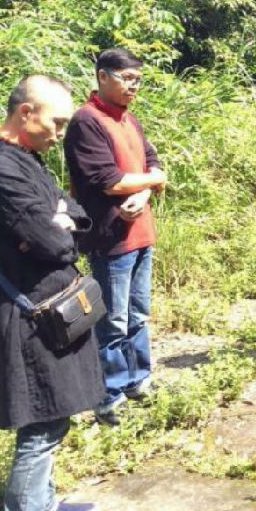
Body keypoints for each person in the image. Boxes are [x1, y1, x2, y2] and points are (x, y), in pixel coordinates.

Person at [0, 75, 103, 511]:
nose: (60, 134)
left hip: (51, 307)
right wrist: (55, 228)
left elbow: (78, 219)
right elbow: (54, 243)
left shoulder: (26, 160)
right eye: (56, 123)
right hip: (28, 319)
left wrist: (62, 222)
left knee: (54, 416)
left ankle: (42, 503)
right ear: (26, 113)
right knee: (41, 423)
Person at [64, 48, 167, 425]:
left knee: (138, 314)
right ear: (103, 77)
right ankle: (108, 393)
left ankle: (138, 379)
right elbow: (108, 182)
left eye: (137, 79)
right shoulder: (86, 122)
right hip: (109, 237)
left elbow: (153, 166)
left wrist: (143, 189)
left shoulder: (129, 120)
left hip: (141, 233)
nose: (133, 86)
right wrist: (148, 182)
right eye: (126, 78)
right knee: (112, 319)